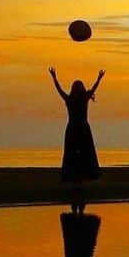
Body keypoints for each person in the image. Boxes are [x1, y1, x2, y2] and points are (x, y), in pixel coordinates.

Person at [50, 65, 104, 213]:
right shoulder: (73, 99)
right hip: (76, 130)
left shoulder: (80, 99)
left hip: (79, 130)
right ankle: (76, 184)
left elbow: (92, 89)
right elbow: (60, 91)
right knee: (73, 157)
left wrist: (99, 79)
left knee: (82, 157)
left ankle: (79, 184)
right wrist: (54, 78)